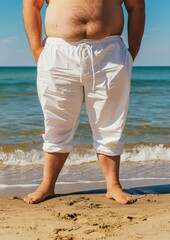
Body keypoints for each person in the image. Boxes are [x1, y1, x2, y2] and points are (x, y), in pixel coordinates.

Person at [23, 0, 145, 204]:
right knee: (56, 121)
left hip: (109, 52)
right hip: (58, 53)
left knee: (110, 122)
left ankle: (113, 185)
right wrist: (36, 48)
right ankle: (47, 185)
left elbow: (137, 6)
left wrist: (131, 52)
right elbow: (31, 4)